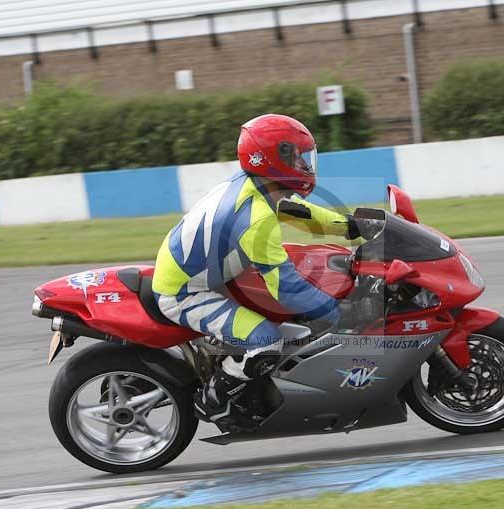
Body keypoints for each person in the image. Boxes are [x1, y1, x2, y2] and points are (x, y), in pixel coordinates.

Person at [152, 114, 358, 427]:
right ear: (276, 160)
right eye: (298, 157)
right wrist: (339, 313)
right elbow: (286, 289)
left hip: (215, 272)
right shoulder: (256, 217)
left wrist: (350, 227)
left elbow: (299, 212)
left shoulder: (257, 186)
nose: (306, 165)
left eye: (305, 157)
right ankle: (214, 400)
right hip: (186, 291)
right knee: (265, 341)